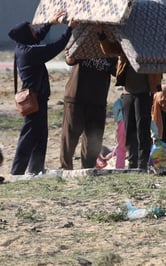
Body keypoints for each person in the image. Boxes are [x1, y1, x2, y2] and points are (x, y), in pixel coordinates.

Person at [8, 13, 73, 176]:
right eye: (32, 30)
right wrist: (70, 29)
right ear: (26, 34)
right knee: (28, 137)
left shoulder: (23, 47)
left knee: (40, 135)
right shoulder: (29, 53)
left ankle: (36, 168)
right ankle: (17, 172)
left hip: (38, 99)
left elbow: (37, 38)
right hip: (34, 101)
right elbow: (54, 48)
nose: (35, 31)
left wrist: (49, 24)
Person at [59, 35, 117, 170]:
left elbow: (117, 72)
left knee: (93, 138)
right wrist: (70, 55)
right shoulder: (84, 42)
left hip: (97, 100)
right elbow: (70, 59)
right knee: (70, 136)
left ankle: (89, 168)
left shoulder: (111, 49)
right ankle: (65, 168)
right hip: (76, 97)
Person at [116, 56, 161, 170]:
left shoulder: (148, 49)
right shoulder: (126, 47)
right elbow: (111, 49)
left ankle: (142, 165)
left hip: (144, 93)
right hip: (128, 94)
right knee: (129, 130)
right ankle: (132, 163)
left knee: (142, 130)